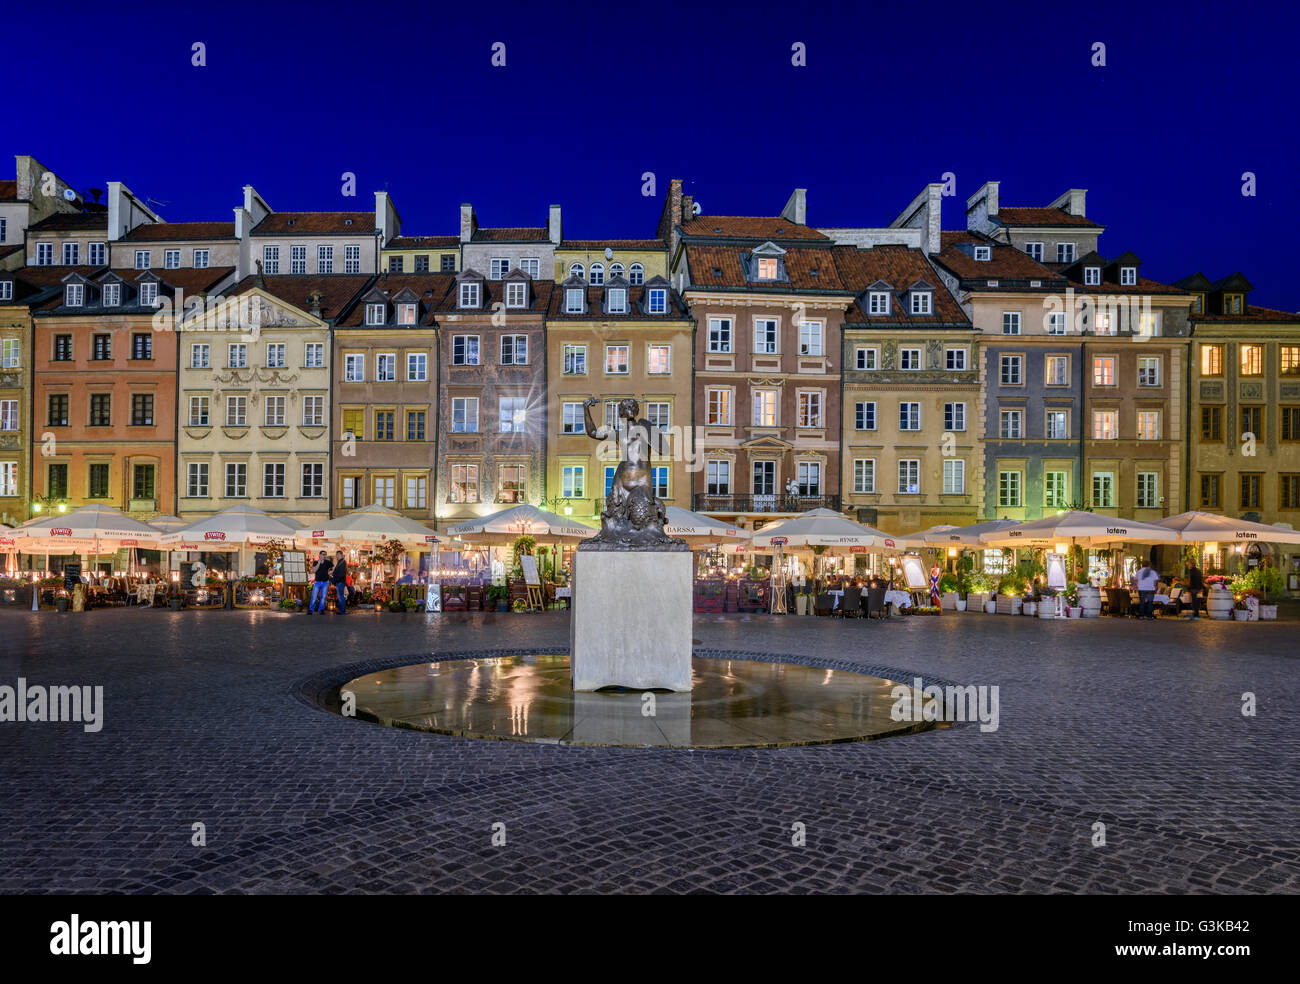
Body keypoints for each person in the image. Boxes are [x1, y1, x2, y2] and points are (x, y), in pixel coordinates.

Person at [330, 550, 348, 615]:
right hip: (339, 581)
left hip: (340, 581)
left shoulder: (343, 562)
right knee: (340, 596)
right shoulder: (340, 562)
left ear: (340, 555)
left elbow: (341, 573)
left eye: (337, 555)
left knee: (340, 596)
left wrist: (336, 579)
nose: (336, 556)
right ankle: (341, 610)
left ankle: (342, 611)